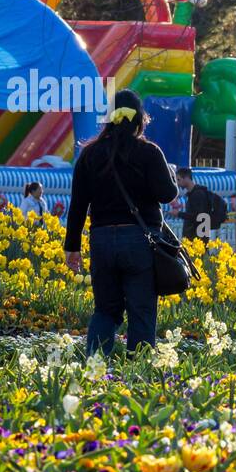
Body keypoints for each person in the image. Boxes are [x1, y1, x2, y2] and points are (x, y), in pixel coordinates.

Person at [64, 90, 179, 354]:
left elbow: (78, 205)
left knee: (105, 310)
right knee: (141, 309)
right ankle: (137, 372)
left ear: (109, 120)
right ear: (140, 120)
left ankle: (95, 367)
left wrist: (72, 247)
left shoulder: (89, 155)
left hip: (102, 240)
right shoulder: (149, 152)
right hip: (139, 240)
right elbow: (167, 194)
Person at [175, 167, 226, 242]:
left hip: (197, 239)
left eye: (178, 180)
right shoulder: (194, 194)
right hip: (197, 237)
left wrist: (179, 214)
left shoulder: (198, 194)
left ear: (186, 178)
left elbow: (199, 217)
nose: (177, 183)